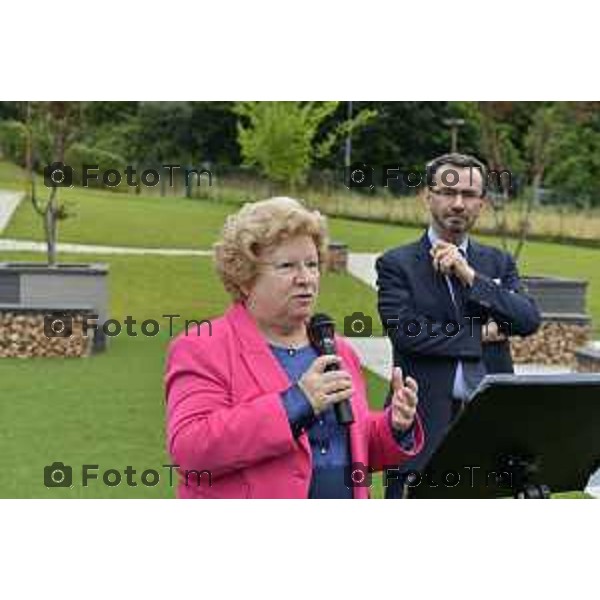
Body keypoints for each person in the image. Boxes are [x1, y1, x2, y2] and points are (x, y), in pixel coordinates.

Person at [164, 197, 424, 499]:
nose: (306, 279)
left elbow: (353, 445)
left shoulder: (337, 349)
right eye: (287, 266)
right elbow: (191, 449)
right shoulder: (202, 347)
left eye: (312, 264)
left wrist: (394, 426)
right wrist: (296, 403)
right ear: (245, 278)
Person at [376, 153, 541, 498]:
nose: (457, 203)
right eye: (448, 192)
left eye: (468, 195)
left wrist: (468, 275)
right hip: (421, 425)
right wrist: (481, 334)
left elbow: (526, 320)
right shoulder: (396, 264)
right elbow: (407, 333)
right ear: (428, 196)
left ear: (481, 203)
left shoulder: (498, 263)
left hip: (490, 429)